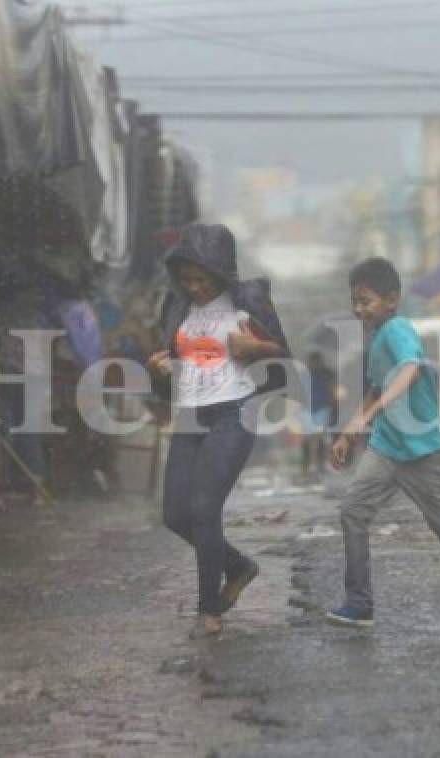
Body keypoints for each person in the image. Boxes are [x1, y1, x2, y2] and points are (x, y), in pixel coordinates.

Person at [327, 258, 440, 627]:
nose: (359, 309)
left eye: (366, 301)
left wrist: (373, 412)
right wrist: (347, 433)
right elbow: (376, 388)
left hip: (423, 451)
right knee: (352, 511)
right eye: (354, 301)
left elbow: (410, 368)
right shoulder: (376, 340)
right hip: (386, 447)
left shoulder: (399, 328)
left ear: (391, 300)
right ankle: (360, 603)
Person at [146, 224, 290, 639]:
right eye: (187, 279)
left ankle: (209, 609)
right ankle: (238, 567)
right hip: (190, 414)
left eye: (202, 279)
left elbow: (282, 354)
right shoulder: (176, 306)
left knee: (205, 511)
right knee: (176, 515)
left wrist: (257, 349)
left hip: (234, 413)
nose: (194, 287)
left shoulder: (249, 301)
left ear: (221, 272)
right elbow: (171, 361)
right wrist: (158, 370)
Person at [301, 351, 338, 481]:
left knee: (321, 437)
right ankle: (314, 464)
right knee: (312, 439)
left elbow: (333, 390)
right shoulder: (303, 375)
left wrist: (334, 404)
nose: (314, 364)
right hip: (308, 409)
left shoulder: (327, 374)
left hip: (322, 407)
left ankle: (323, 463)